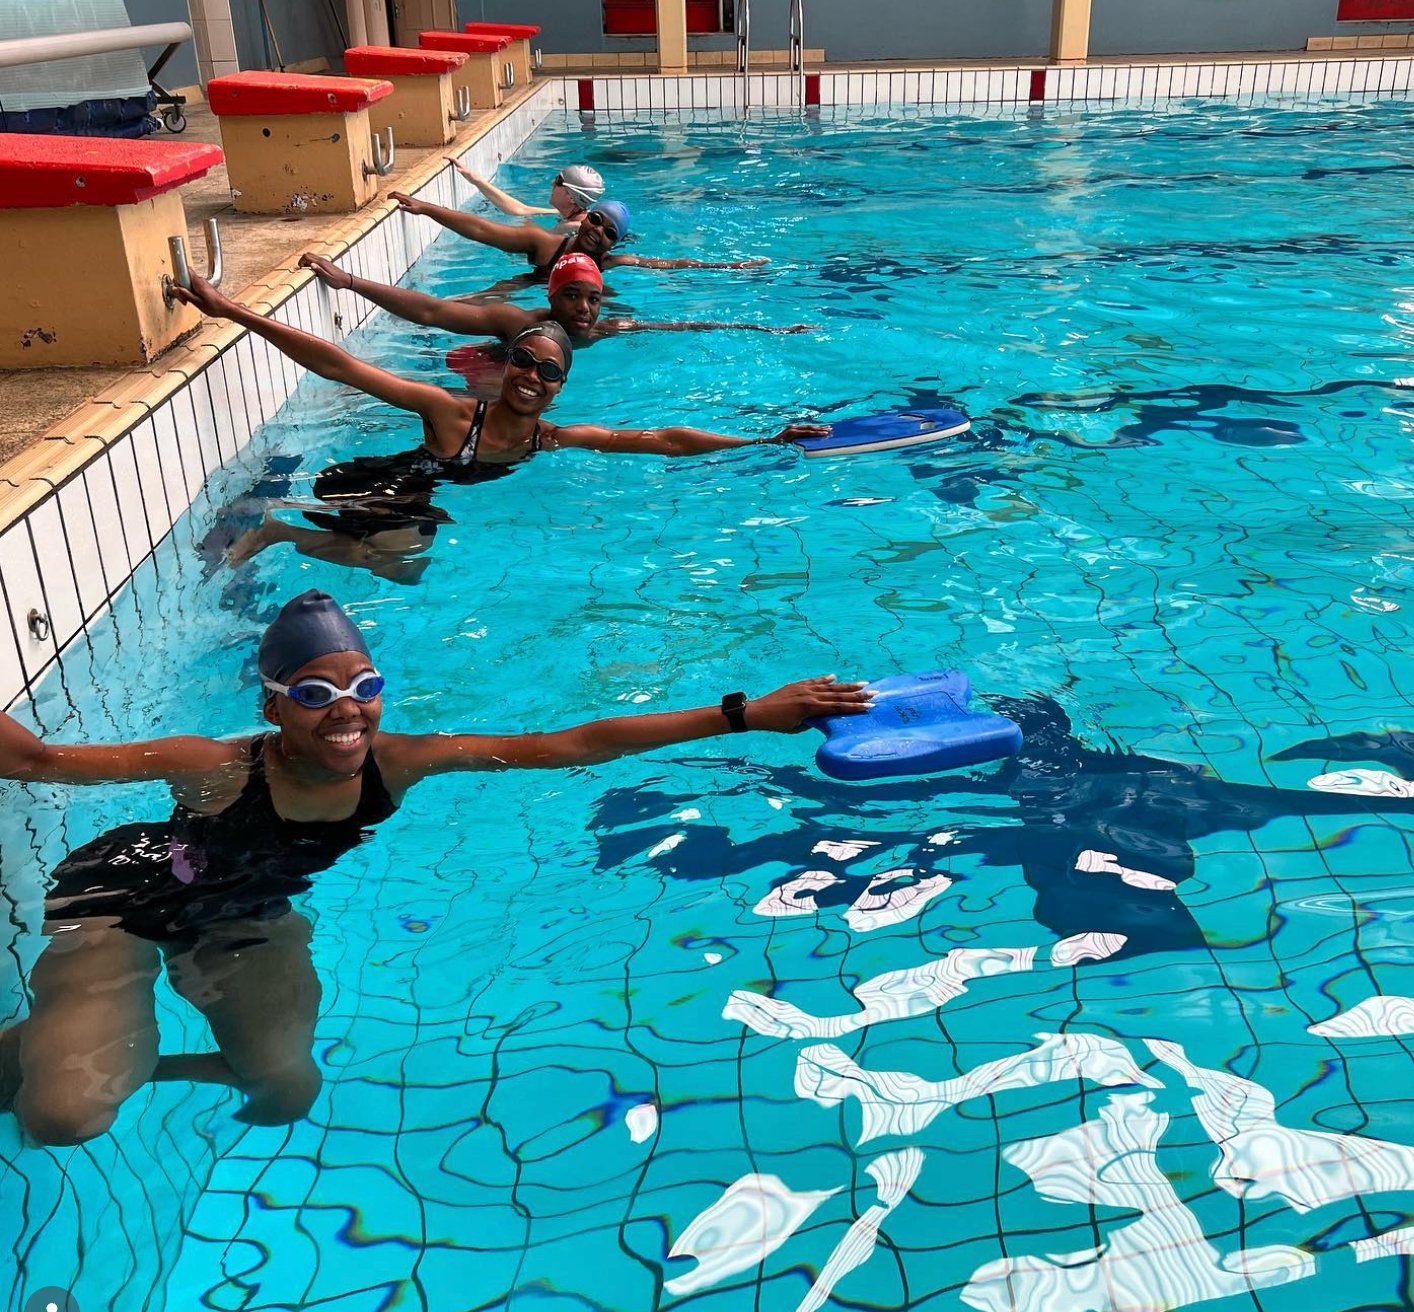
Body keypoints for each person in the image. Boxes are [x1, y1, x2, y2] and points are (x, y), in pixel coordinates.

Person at [0, 589, 871, 1146]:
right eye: (314, 693)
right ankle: (48, 1054)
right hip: (125, 897)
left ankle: (76, 1052)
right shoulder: (215, 765)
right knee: (66, 1114)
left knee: (284, 1087)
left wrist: (745, 714)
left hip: (246, 911)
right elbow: (37, 763)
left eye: (363, 686)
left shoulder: (401, 761)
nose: (346, 712)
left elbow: (565, 743)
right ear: (273, 704)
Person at [171, 275, 827, 574]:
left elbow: (660, 441)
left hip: (430, 500)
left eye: (546, 373)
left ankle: (282, 531)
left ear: (559, 388)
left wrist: (764, 439)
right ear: (507, 361)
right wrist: (236, 313)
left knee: (400, 568)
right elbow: (340, 366)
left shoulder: (552, 437)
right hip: (389, 485)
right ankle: (278, 526)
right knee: (401, 564)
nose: (529, 378)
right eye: (522, 361)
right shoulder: (451, 412)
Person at [297, 250, 815, 395]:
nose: (585, 309)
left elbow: (682, 327)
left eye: (592, 299)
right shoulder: (516, 321)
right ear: (553, 297)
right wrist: (350, 283)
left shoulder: (607, 328)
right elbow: (434, 311)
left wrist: (768, 332)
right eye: (573, 297)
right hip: (489, 367)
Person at [389, 193, 768, 282]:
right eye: (597, 220)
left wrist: (735, 266)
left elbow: (674, 264)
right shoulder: (543, 244)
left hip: (571, 307)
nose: (598, 232)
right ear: (585, 217)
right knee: (490, 297)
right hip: (532, 286)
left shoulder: (613, 264)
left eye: (609, 233)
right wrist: (426, 208)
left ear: (614, 245)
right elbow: (484, 229)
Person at [447, 159, 604, 228]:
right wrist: (476, 179)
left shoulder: (573, 228)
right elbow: (520, 210)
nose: (552, 183)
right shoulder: (567, 215)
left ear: (571, 197)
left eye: (557, 181)